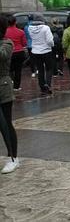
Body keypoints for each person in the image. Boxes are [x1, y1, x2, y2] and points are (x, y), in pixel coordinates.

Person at [0, 15, 19, 174]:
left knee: (5, 123)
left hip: (2, 87)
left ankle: (13, 157)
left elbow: (3, 55)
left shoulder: (6, 43)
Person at [28, 14, 54, 95]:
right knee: (49, 68)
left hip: (35, 51)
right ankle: (48, 84)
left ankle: (42, 86)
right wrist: (52, 45)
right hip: (46, 51)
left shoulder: (30, 28)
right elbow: (49, 41)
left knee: (40, 69)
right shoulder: (46, 28)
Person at [5, 15, 27, 91]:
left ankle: (10, 81)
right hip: (19, 52)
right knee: (18, 70)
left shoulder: (5, 32)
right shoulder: (21, 32)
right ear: (15, 22)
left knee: (9, 69)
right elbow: (24, 43)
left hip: (9, 52)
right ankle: (16, 86)